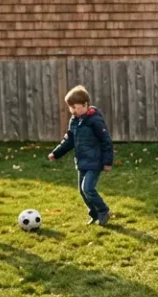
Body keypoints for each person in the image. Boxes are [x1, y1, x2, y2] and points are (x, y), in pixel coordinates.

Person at [48, 85, 114, 226]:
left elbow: (106, 141)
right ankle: (94, 213)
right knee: (82, 192)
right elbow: (69, 140)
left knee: (88, 188)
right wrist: (56, 153)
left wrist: (107, 162)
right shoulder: (74, 121)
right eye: (70, 108)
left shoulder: (95, 120)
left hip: (95, 161)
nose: (72, 111)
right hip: (82, 161)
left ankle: (104, 210)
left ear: (84, 105)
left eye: (75, 107)